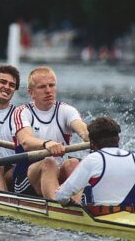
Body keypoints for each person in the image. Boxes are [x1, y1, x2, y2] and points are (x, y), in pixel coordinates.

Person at [55, 116, 135, 216]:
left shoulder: (92, 160)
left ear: (91, 143)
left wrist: (71, 205)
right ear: (118, 138)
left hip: (102, 218)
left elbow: (61, 196)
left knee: (86, 193)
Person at [13, 66, 89, 199]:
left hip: (57, 172)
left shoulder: (66, 110)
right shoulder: (22, 112)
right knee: (49, 162)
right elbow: (26, 141)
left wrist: (89, 136)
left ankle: (76, 207)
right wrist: (47, 144)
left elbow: (82, 128)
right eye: (42, 87)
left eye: (51, 85)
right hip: (26, 179)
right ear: (31, 93)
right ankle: (59, 208)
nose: (48, 91)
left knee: (73, 163)